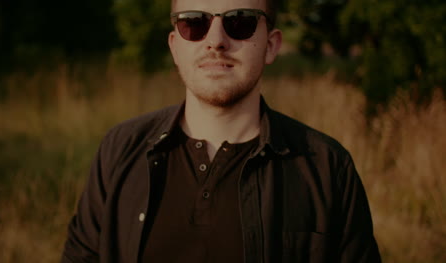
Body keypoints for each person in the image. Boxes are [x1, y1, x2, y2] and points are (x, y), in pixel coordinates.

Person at [61, 0, 382, 262]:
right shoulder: (120, 149)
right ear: (175, 46)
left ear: (271, 46)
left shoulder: (327, 167)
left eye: (239, 21)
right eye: (194, 23)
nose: (216, 41)